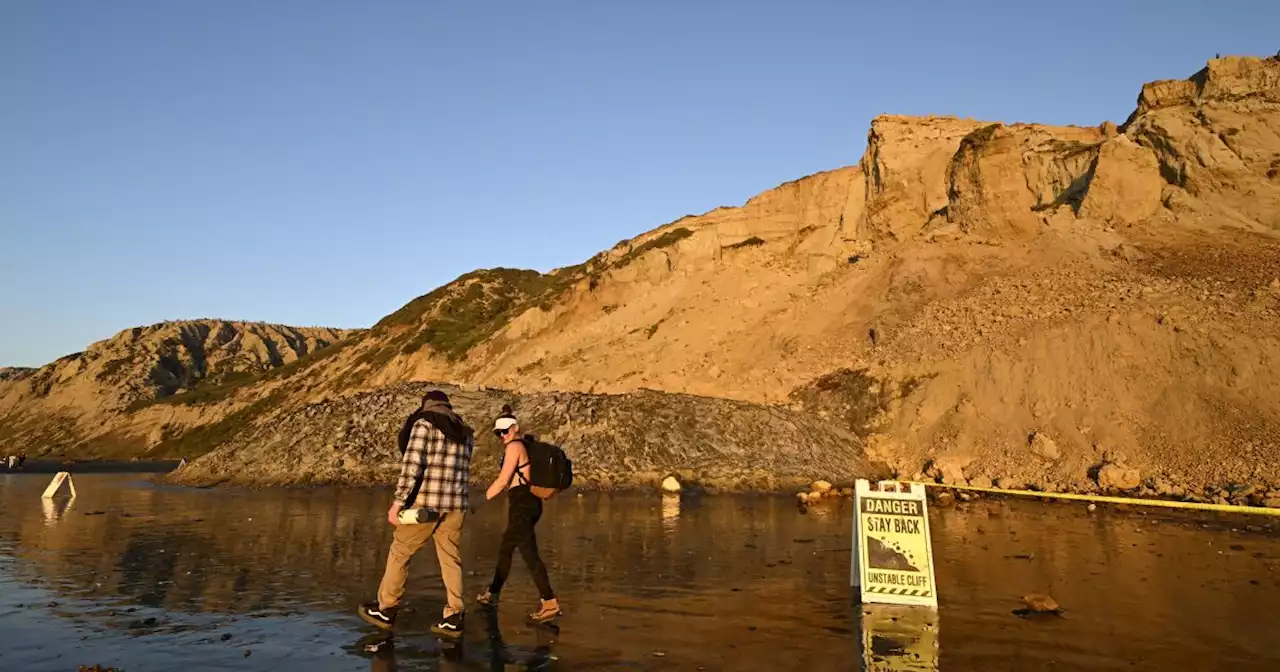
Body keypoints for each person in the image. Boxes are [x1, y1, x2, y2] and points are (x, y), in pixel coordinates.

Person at [359, 390, 475, 638]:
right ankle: (454, 615)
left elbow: (411, 467)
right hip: (456, 505)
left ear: (426, 406)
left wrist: (397, 502)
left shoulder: (424, 425)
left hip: (425, 506)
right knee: (450, 559)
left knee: (400, 552)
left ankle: (386, 609)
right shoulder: (465, 432)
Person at [475, 406, 560, 622]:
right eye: (498, 433)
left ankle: (549, 602)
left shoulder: (515, 446)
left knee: (529, 553)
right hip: (528, 503)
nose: (502, 436)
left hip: (522, 503)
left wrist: (480, 501)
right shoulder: (525, 446)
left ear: (515, 428)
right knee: (506, 548)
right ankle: (493, 594)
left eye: (505, 431)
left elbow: (503, 480)